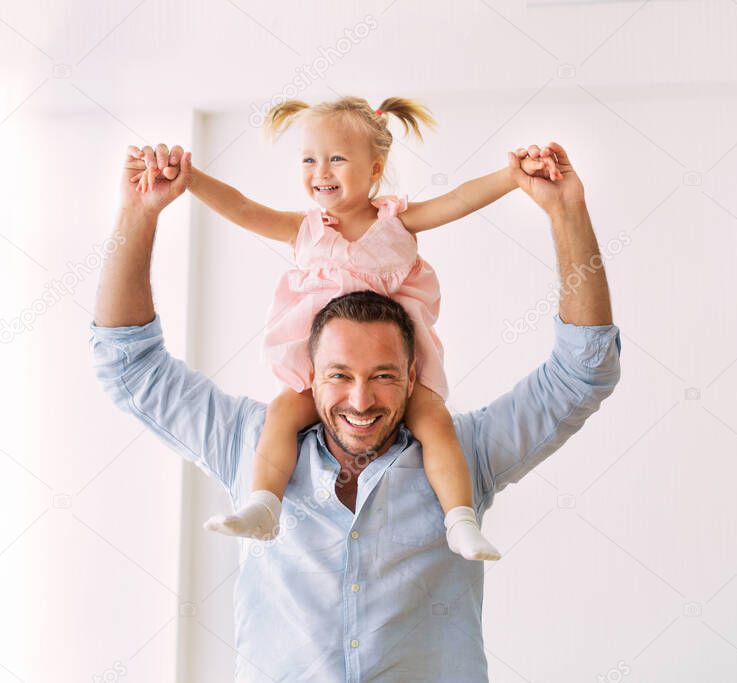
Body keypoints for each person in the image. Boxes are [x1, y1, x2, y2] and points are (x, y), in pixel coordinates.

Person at [92, 139, 621, 681]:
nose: (361, 400)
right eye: (339, 376)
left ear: (414, 375)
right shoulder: (248, 443)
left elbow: (583, 374)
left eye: (384, 377)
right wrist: (139, 214)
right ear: (310, 374)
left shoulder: (467, 455)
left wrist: (566, 210)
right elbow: (129, 367)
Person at [128, 96, 558, 560]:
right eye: (309, 159)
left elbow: (456, 201)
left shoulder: (397, 222)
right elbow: (243, 207)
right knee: (281, 415)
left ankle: (460, 520)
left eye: (336, 159)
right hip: (326, 372)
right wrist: (189, 180)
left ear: (375, 169)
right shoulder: (306, 229)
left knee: (436, 424)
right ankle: (264, 504)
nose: (321, 171)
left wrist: (511, 178)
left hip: (388, 368)